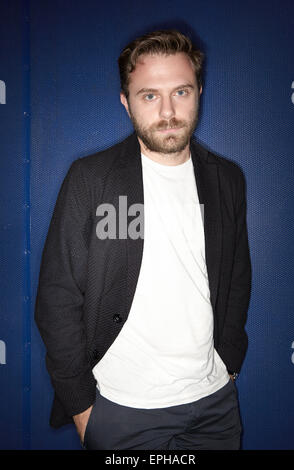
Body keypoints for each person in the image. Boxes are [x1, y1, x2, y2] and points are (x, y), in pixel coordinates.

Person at [35, 29, 251, 450]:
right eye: (149, 95)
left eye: (181, 92)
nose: (168, 111)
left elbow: (237, 277)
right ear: (126, 101)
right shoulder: (91, 179)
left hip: (214, 407)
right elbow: (57, 296)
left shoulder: (227, 179)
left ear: (199, 92)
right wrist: (82, 408)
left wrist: (228, 363)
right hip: (122, 411)